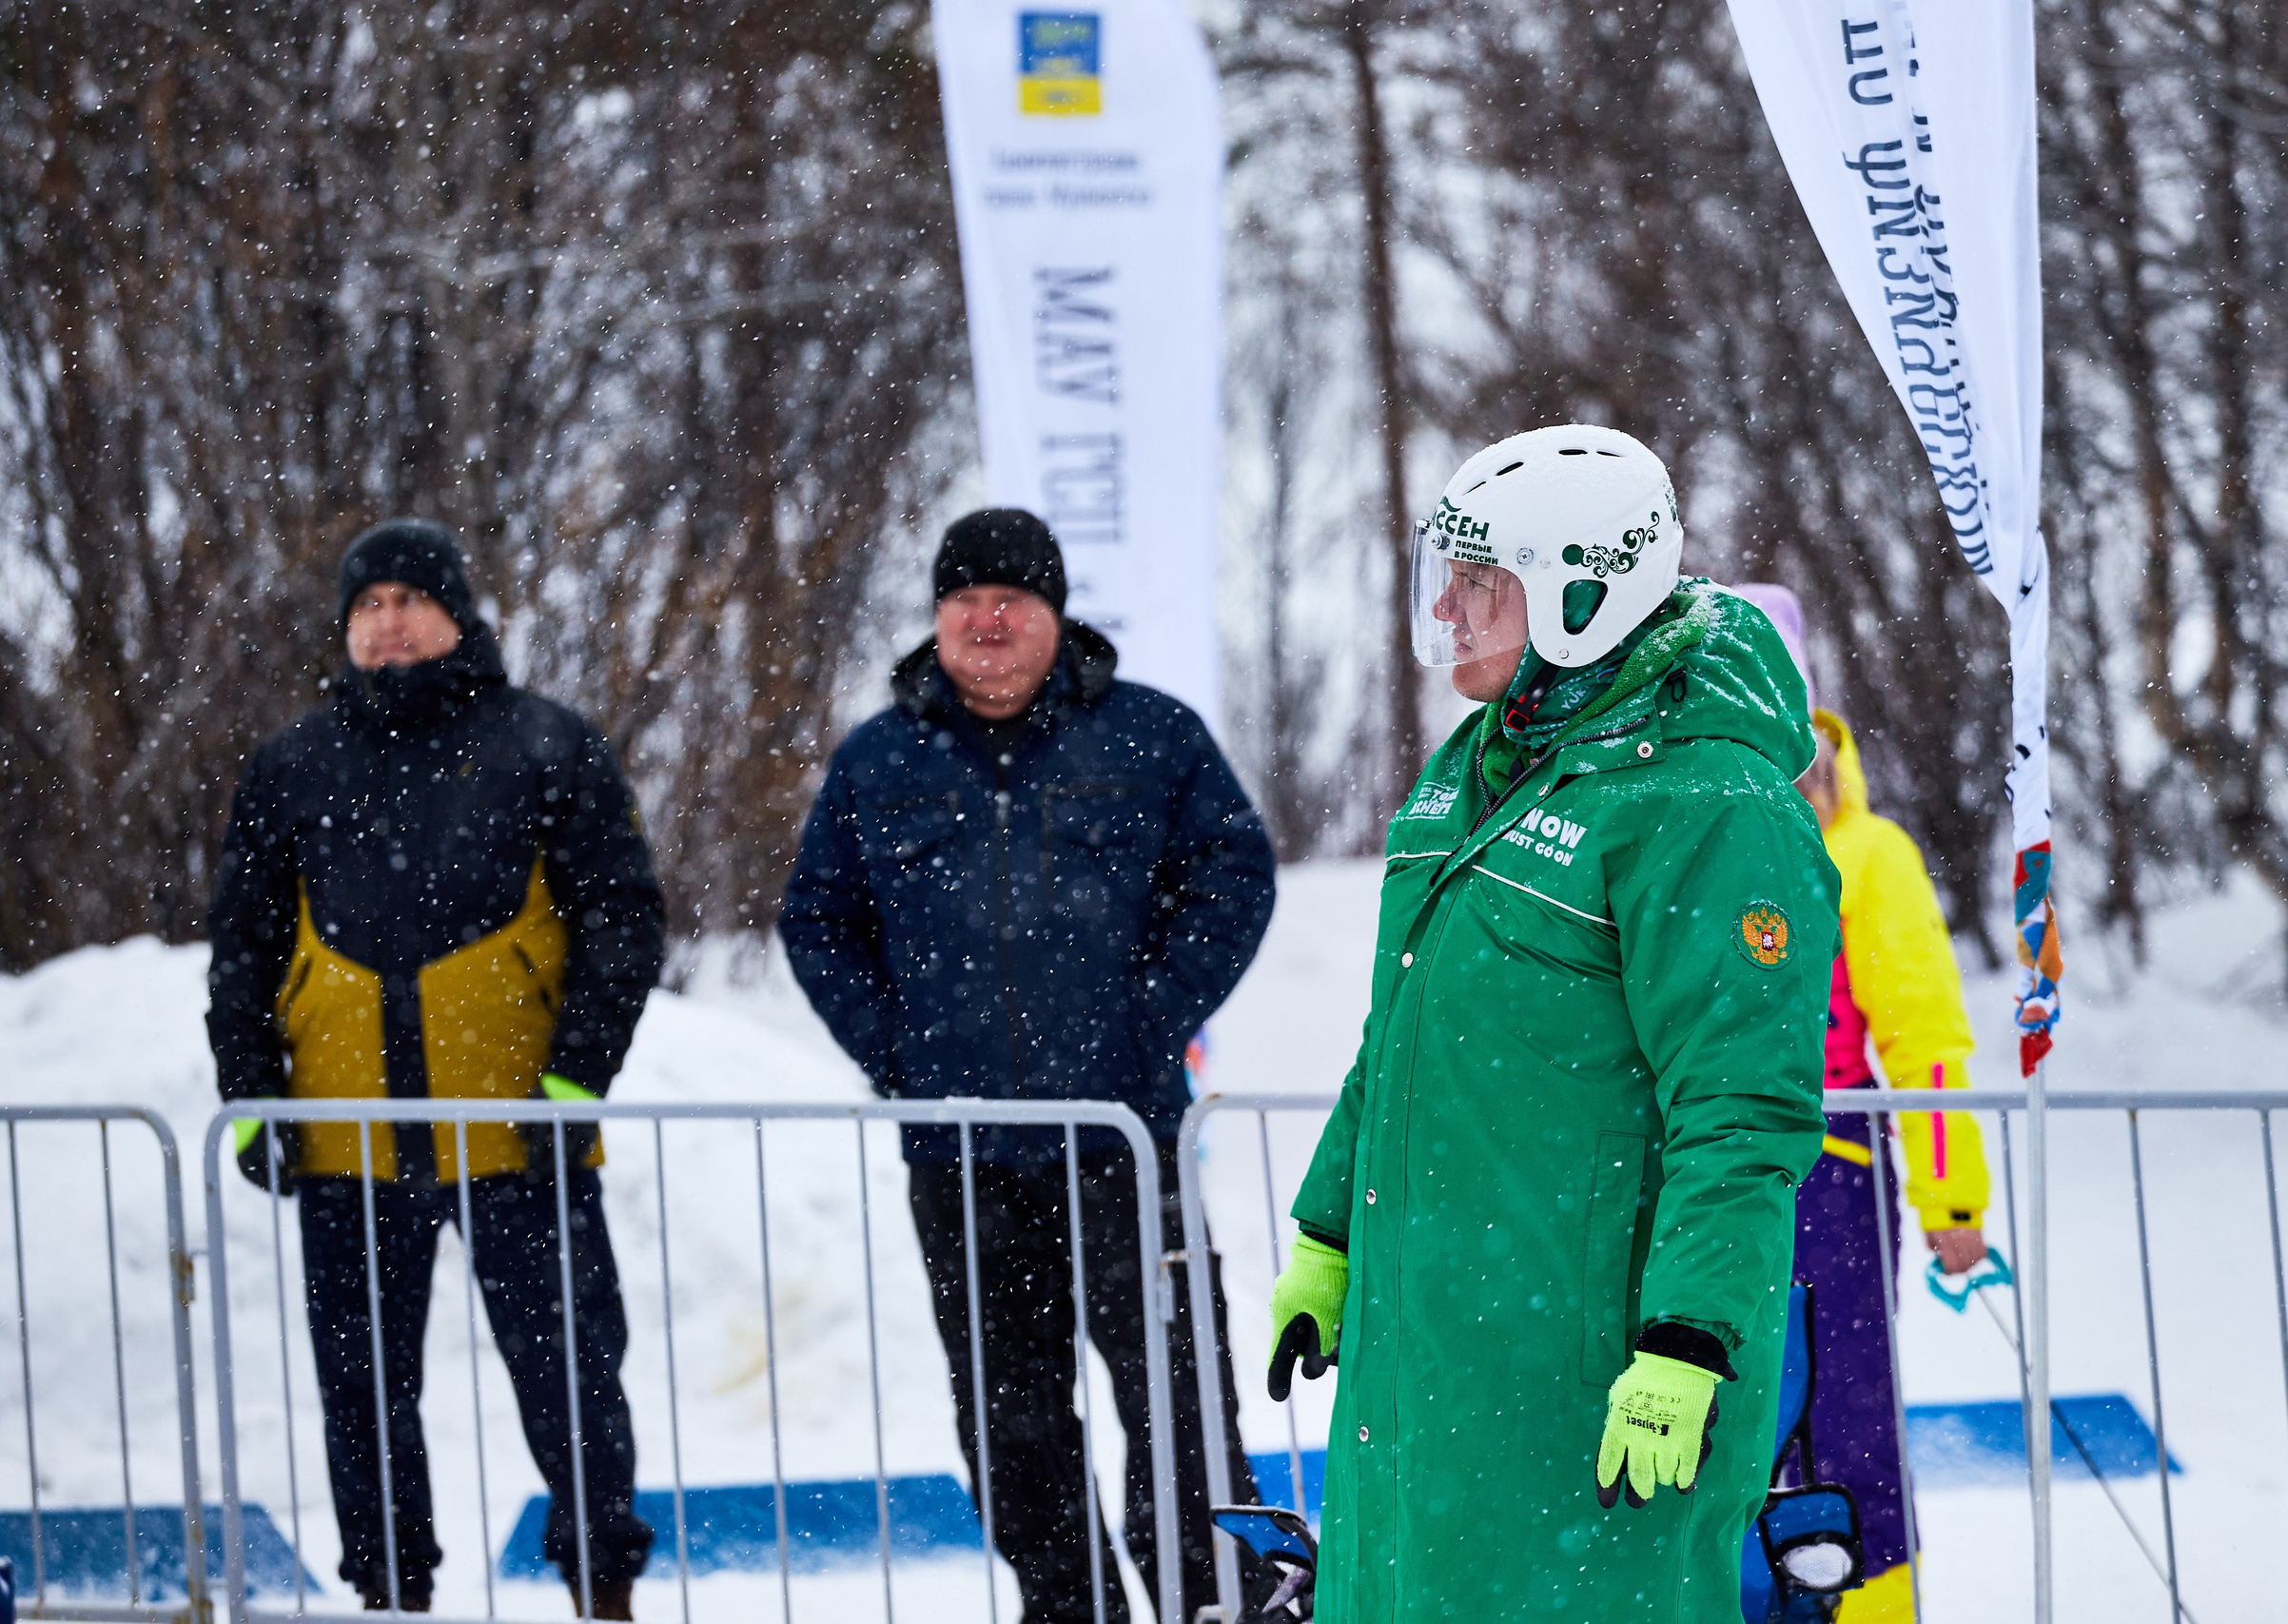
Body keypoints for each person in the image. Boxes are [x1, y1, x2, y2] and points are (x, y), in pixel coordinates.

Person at [1263, 426, 1836, 1621]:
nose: (1447, 607)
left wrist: (1688, 1341)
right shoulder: (1477, 761)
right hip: (1430, 1361)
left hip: (1583, 1383)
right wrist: (1328, 1232)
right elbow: (1406, 1033)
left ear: (1588, 591)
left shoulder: (1705, 801)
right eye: (1448, 570)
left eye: (1482, 581)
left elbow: (1740, 1112)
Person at [777, 508, 1276, 1623]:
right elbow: (817, 920)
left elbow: (1232, 875)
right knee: (1009, 1429)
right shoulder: (880, 757)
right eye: (964, 599)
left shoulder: (1150, 736)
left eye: (1012, 599)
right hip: (962, 1158)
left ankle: (1217, 1605)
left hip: (1124, 1140)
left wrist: (1151, 1018)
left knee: (1178, 1409)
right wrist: (896, 1057)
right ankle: (1070, 1609)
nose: (986, 619)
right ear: (938, 619)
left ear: (1055, 615)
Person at [206, 520, 663, 1617]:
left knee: (570, 1382)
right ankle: (390, 1593)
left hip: (518, 1135)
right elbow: (243, 950)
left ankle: (604, 1585)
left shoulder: (546, 744)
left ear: (458, 615)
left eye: (411, 598)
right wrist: (250, 1098)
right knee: (360, 1399)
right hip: (347, 1143)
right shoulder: (291, 766)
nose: (389, 620)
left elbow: (624, 922)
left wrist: (572, 1084)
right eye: (368, 604)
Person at [1736, 583, 1993, 1623]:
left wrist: (1951, 1201)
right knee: (1715, 1419)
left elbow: (1924, 1042)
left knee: (1844, 1419)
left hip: (1830, 1170)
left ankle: (1871, 1603)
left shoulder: (1868, 853)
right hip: (1695, 1173)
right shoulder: (1696, 831)